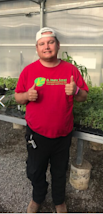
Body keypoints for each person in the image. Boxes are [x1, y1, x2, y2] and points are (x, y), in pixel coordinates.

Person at [14, 27, 89, 213]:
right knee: (35, 170)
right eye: (42, 44)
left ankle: (59, 201)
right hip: (36, 134)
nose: (46, 46)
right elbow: (17, 97)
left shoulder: (70, 70)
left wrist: (76, 91)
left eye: (50, 42)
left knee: (59, 171)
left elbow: (84, 95)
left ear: (58, 45)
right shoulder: (29, 71)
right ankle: (37, 198)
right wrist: (26, 96)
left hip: (62, 134)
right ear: (37, 48)